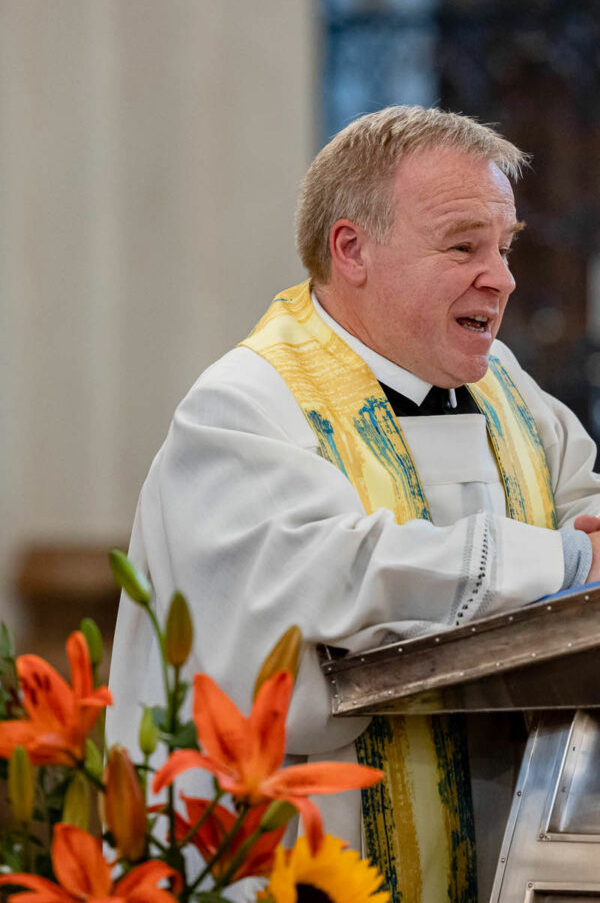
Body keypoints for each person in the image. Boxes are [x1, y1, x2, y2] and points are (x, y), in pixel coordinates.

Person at [107, 106, 600, 903]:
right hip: (297, 867)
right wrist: (567, 560)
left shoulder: (508, 389)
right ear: (352, 249)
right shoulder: (243, 407)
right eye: (464, 244)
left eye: (504, 247)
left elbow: (584, 504)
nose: (502, 276)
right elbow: (337, 581)